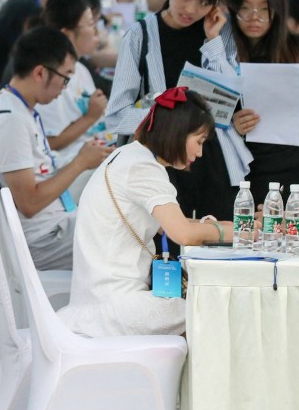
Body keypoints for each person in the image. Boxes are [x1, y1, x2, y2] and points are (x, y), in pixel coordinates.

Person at [59, 87, 233, 338]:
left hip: (98, 301)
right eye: (199, 142)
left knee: (204, 307)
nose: (200, 153)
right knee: (213, 307)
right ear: (178, 132)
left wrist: (231, 227)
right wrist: (240, 232)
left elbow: (175, 223)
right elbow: (183, 233)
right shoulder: (143, 167)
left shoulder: (126, 155)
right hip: (117, 307)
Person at [104, 0, 247, 220]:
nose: (191, 9)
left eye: (204, 2)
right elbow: (115, 115)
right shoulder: (140, 35)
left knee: (217, 245)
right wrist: (166, 119)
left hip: (214, 162)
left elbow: (230, 102)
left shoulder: (221, 34)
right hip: (161, 162)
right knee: (166, 251)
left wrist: (213, 41)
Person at [0, 27, 113, 270]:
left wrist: (83, 157)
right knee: (133, 242)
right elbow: (29, 203)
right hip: (45, 241)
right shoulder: (12, 122)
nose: (66, 86)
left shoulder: (16, 107)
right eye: (65, 77)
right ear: (40, 72)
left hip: (54, 227)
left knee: (126, 224)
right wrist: (80, 162)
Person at [215, 0, 299, 204]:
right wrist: (232, 124)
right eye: (245, 8)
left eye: (263, 9)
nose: (254, 17)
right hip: (249, 176)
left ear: (277, 10)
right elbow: (209, 118)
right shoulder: (223, 55)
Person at [35, 0, 109, 173]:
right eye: (91, 24)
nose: (96, 32)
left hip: (94, 153)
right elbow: (50, 143)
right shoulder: (50, 78)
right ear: (67, 34)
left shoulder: (80, 69)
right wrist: (90, 117)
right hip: (74, 169)